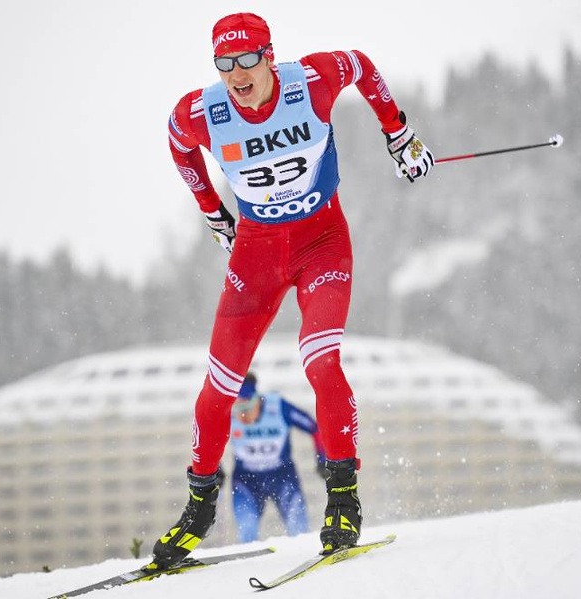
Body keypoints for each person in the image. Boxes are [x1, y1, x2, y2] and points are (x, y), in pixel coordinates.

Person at [149, 12, 432, 569]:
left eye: (246, 60)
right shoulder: (200, 112)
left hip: (322, 240)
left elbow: (363, 66)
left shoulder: (312, 80)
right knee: (218, 387)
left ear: (268, 56)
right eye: (223, 64)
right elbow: (177, 143)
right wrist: (213, 211)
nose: (235, 74)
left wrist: (398, 133)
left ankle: (344, 499)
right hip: (255, 252)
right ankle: (200, 507)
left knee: (320, 363)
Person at [228, 373, 327, 543]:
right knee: (247, 530)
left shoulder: (278, 407)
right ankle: (248, 563)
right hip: (246, 480)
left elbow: (315, 428)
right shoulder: (225, 412)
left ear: (256, 401)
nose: (242, 416)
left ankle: (304, 552)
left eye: (246, 409)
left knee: (298, 528)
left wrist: (323, 459)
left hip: (281, 476)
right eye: (237, 410)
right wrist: (213, 470)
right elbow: (208, 439)